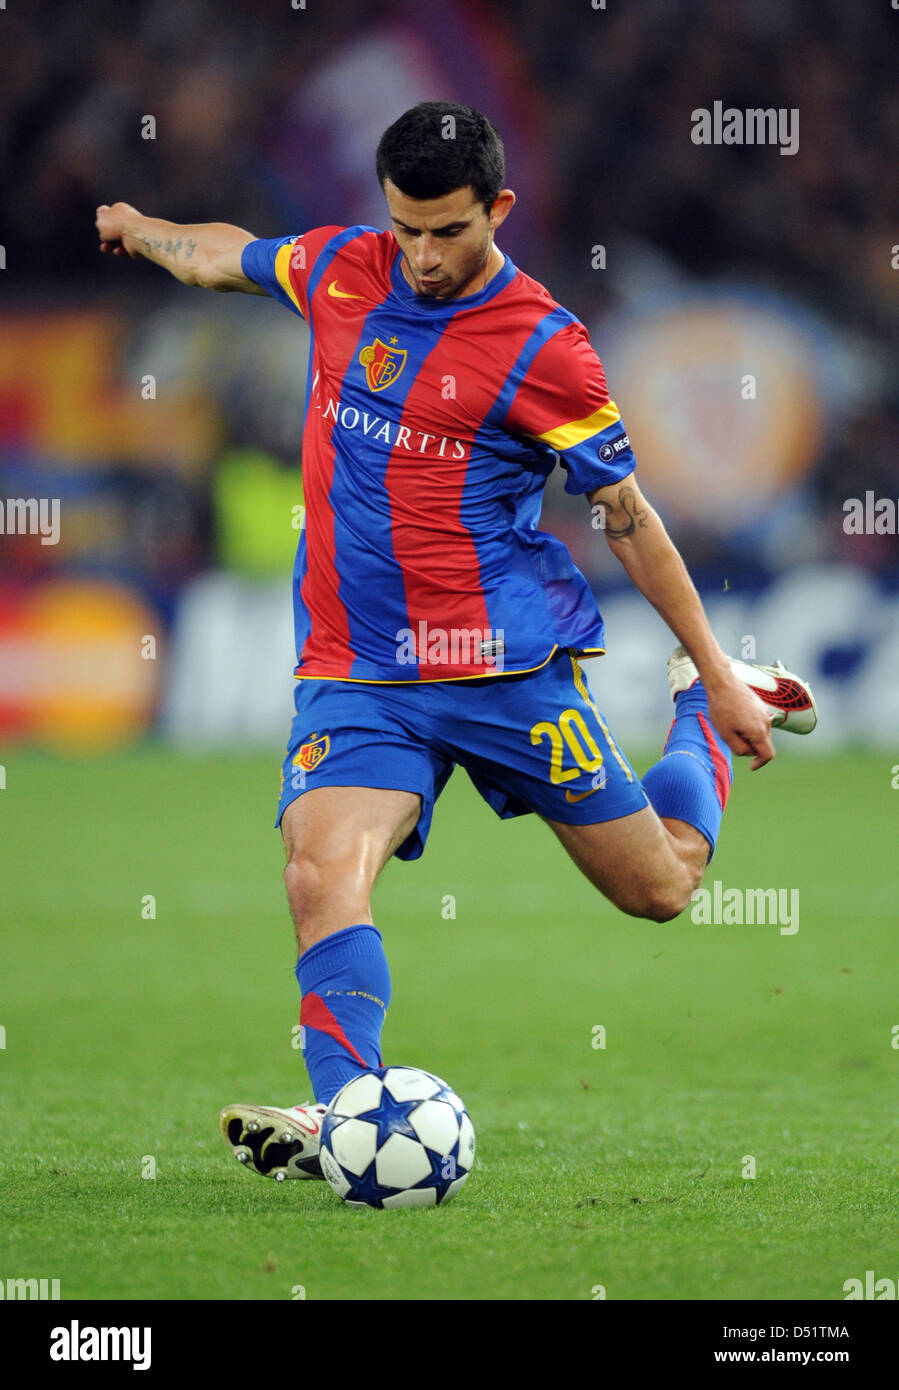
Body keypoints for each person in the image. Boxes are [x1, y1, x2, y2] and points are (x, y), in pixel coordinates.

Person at [96, 101, 817, 1184]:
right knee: (318, 870)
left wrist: (711, 672)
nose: (423, 258)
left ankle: (691, 709)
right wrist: (143, 224)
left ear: (498, 209)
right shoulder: (341, 269)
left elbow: (627, 516)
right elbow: (216, 260)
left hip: (504, 671)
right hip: (358, 672)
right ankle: (345, 1111)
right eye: (406, 229)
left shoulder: (546, 346)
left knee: (660, 887)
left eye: (447, 231)